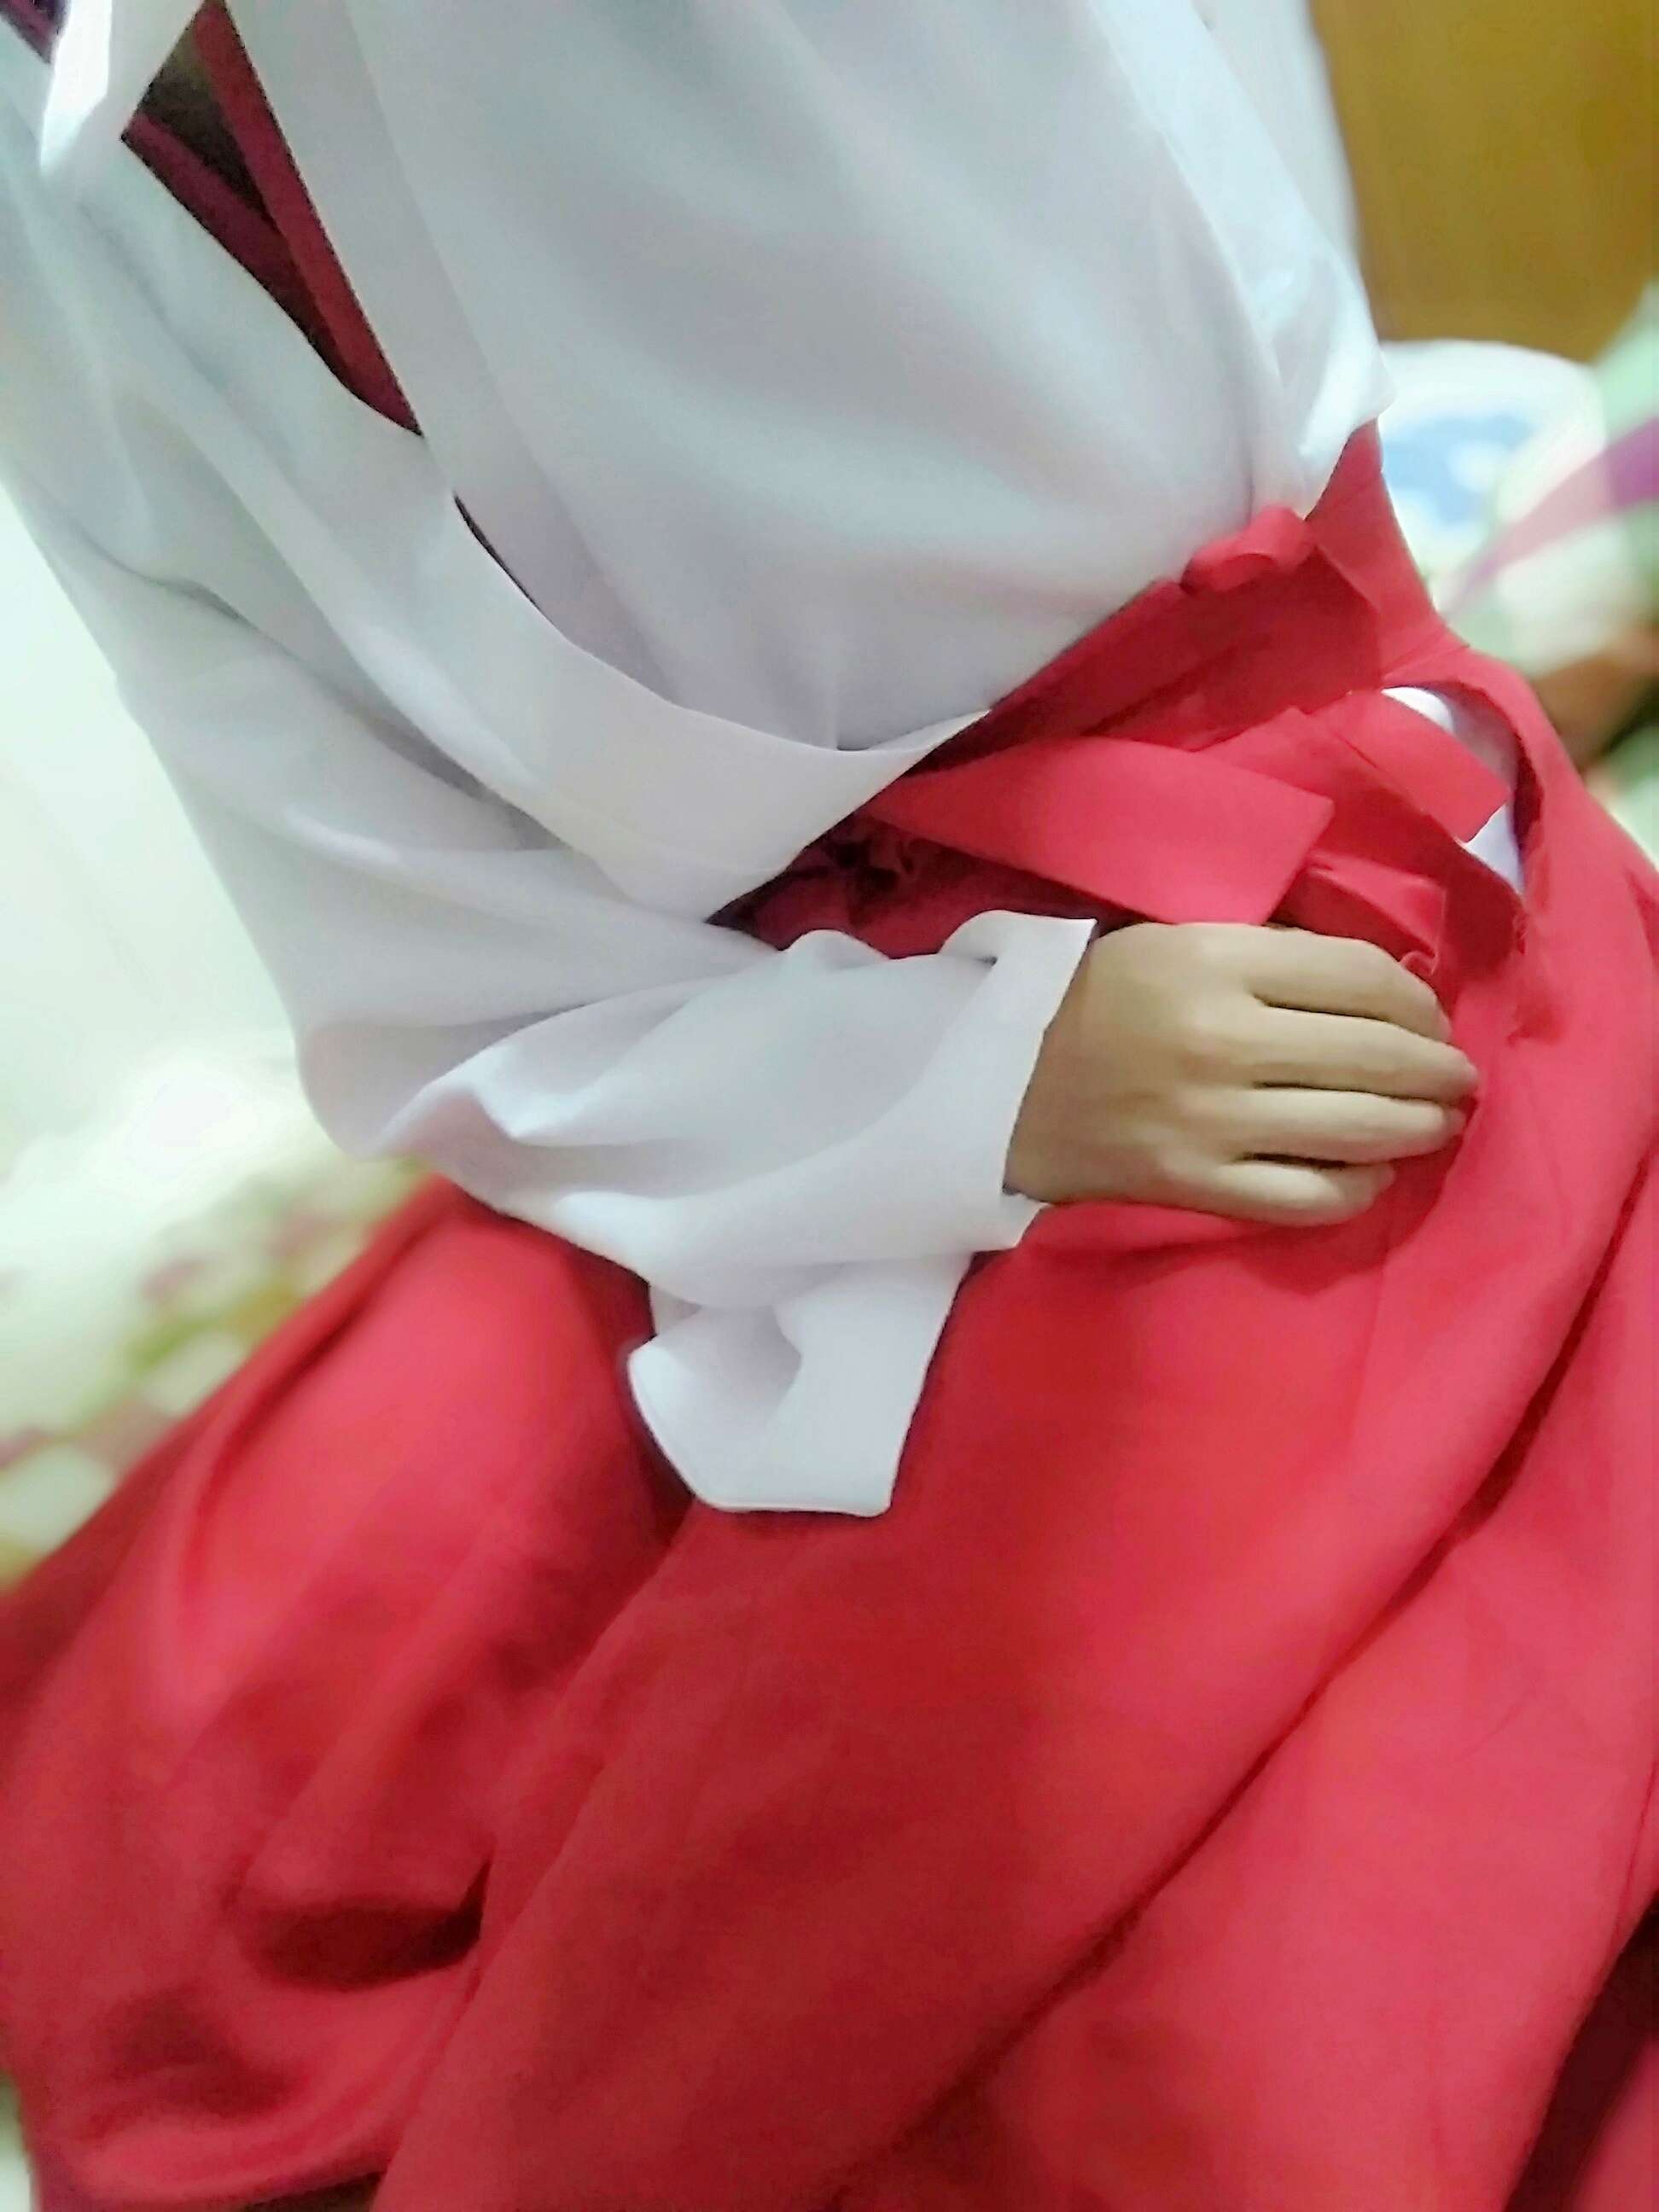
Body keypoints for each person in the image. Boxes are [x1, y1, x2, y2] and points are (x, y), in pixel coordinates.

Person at [0, 3, 1651, 2208]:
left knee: (1118, 2016)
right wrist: (946, 1077)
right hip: (705, 1019)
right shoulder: (46, 167)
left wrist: (1014, 1046)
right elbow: (396, 925)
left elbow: (1205, 391)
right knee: (204, 1770)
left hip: (1246, 901)